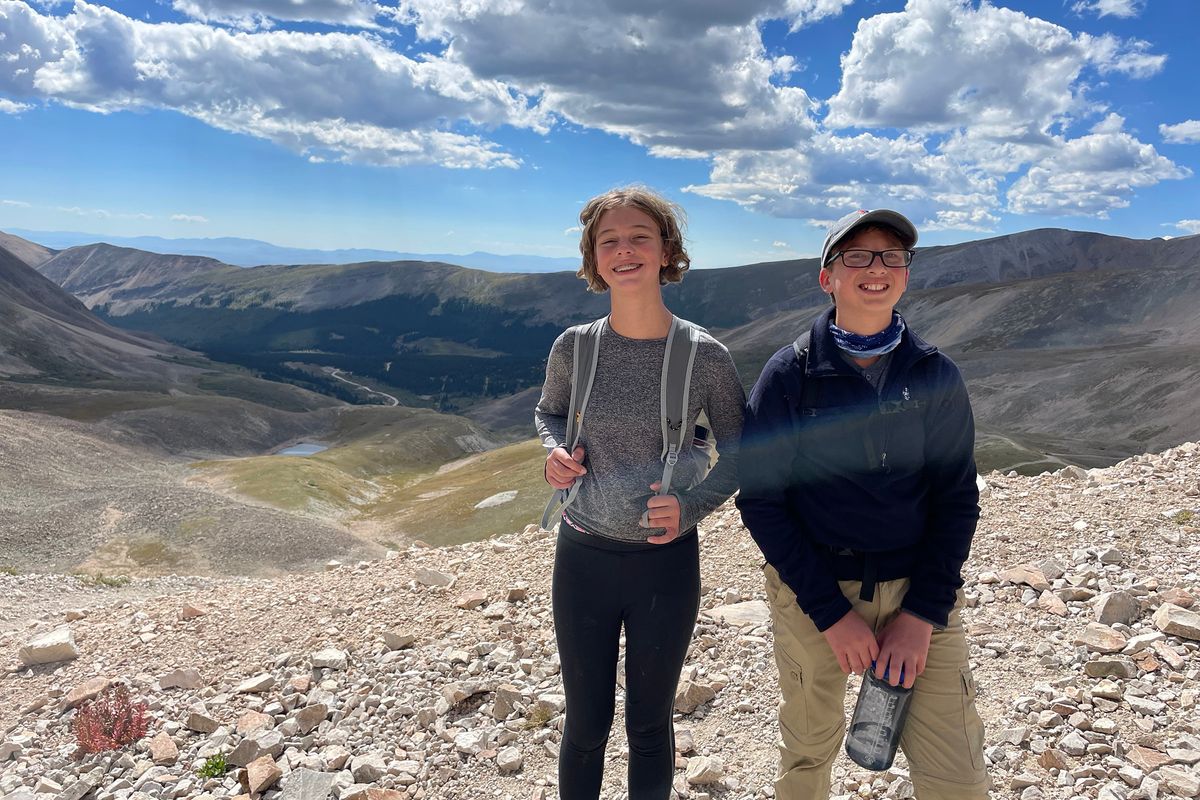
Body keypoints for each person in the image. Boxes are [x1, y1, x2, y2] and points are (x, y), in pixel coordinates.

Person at [737, 209, 989, 799]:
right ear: (827, 278)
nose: (876, 268)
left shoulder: (935, 375)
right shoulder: (789, 374)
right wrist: (831, 613)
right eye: (857, 256)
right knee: (808, 749)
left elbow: (957, 500)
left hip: (918, 588)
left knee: (957, 772)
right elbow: (763, 501)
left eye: (891, 257)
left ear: (905, 275)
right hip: (814, 589)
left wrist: (921, 616)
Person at [534, 186, 745, 799]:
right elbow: (549, 413)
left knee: (649, 726)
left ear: (666, 250)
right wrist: (553, 454)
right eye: (609, 241)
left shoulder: (705, 357)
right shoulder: (574, 346)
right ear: (594, 258)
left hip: (665, 562)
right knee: (585, 725)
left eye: (639, 237)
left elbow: (742, 453)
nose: (624, 250)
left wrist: (691, 507)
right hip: (582, 554)